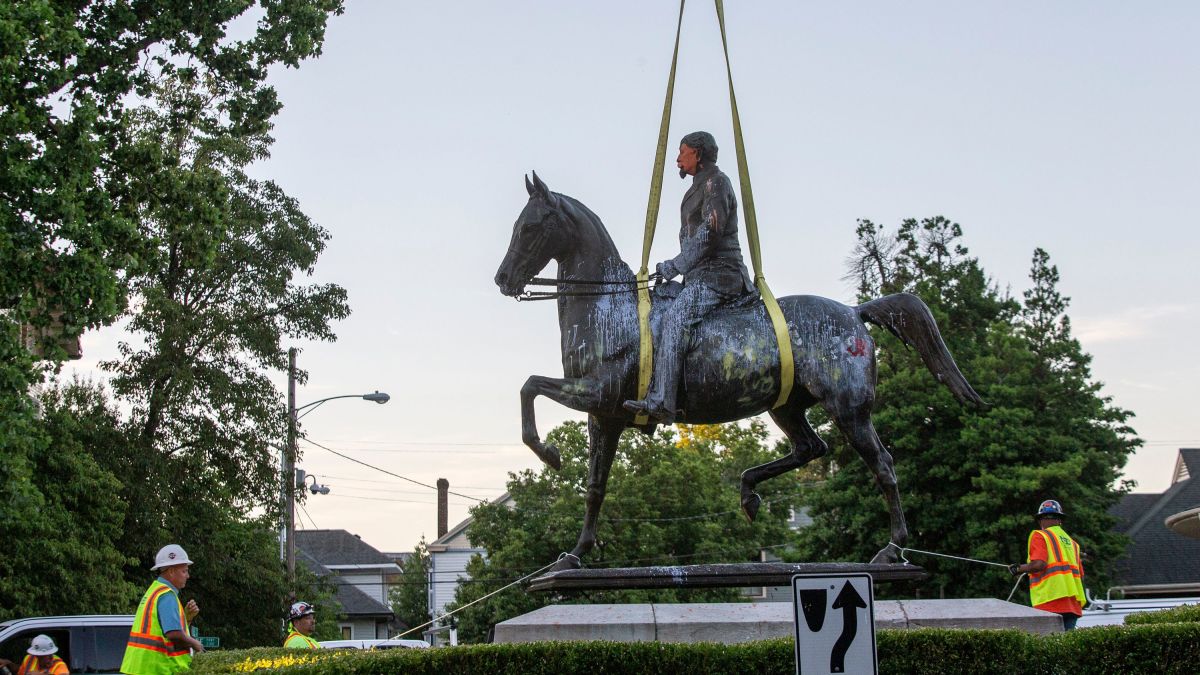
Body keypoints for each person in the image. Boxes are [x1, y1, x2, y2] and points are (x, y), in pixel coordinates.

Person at [623, 131, 757, 424]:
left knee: (675, 319)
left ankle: (661, 402)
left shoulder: (716, 182)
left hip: (720, 276)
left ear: (697, 153)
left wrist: (676, 265)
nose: (677, 159)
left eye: (682, 152)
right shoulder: (696, 189)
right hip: (698, 277)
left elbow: (710, 232)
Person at [120, 544, 204, 675]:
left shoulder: (155, 591)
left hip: (143, 667)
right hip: (158, 668)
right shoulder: (166, 595)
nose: (187, 576)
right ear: (171, 571)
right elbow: (173, 634)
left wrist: (187, 619)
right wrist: (195, 644)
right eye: (184, 571)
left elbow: (163, 632)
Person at [1009, 499, 1086, 631]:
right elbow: (1081, 576)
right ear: (1060, 520)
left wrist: (1018, 569)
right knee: (1066, 648)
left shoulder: (1040, 536)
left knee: (1048, 647)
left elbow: (1039, 565)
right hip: (1073, 605)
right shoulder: (1073, 544)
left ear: (1040, 520)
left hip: (1050, 601)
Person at [0, 635, 69, 675]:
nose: (51, 657)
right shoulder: (29, 659)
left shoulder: (59, 665)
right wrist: (10, 664)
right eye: (47, 655)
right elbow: (20, 670)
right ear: (37, 656)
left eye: (52, 653)